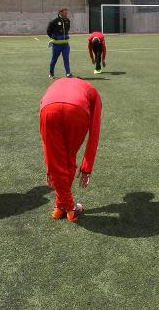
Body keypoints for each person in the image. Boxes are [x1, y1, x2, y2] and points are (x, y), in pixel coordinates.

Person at [39, 77, 102, 222]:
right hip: (76, 110)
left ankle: (59, 206)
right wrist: (86, 168)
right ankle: (70, 209)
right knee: (69, 158)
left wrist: (50, 168)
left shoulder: (57, 83)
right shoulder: (91, 90)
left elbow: (46, 140)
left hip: (48, 109)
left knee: (59, 161)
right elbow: (95, 130)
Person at [47, 7, 72, 79]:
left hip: (65, 45)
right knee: (54, 59)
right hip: (56, 45)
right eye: (65, 13)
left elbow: (67, 30)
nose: (66, 14)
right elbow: (49, 31)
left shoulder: (67, 20)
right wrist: (52, 38)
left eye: (66, 13)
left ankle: (68, 73)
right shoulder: (54, 21)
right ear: (60, 13)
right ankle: (51, 74)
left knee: (66, 58)